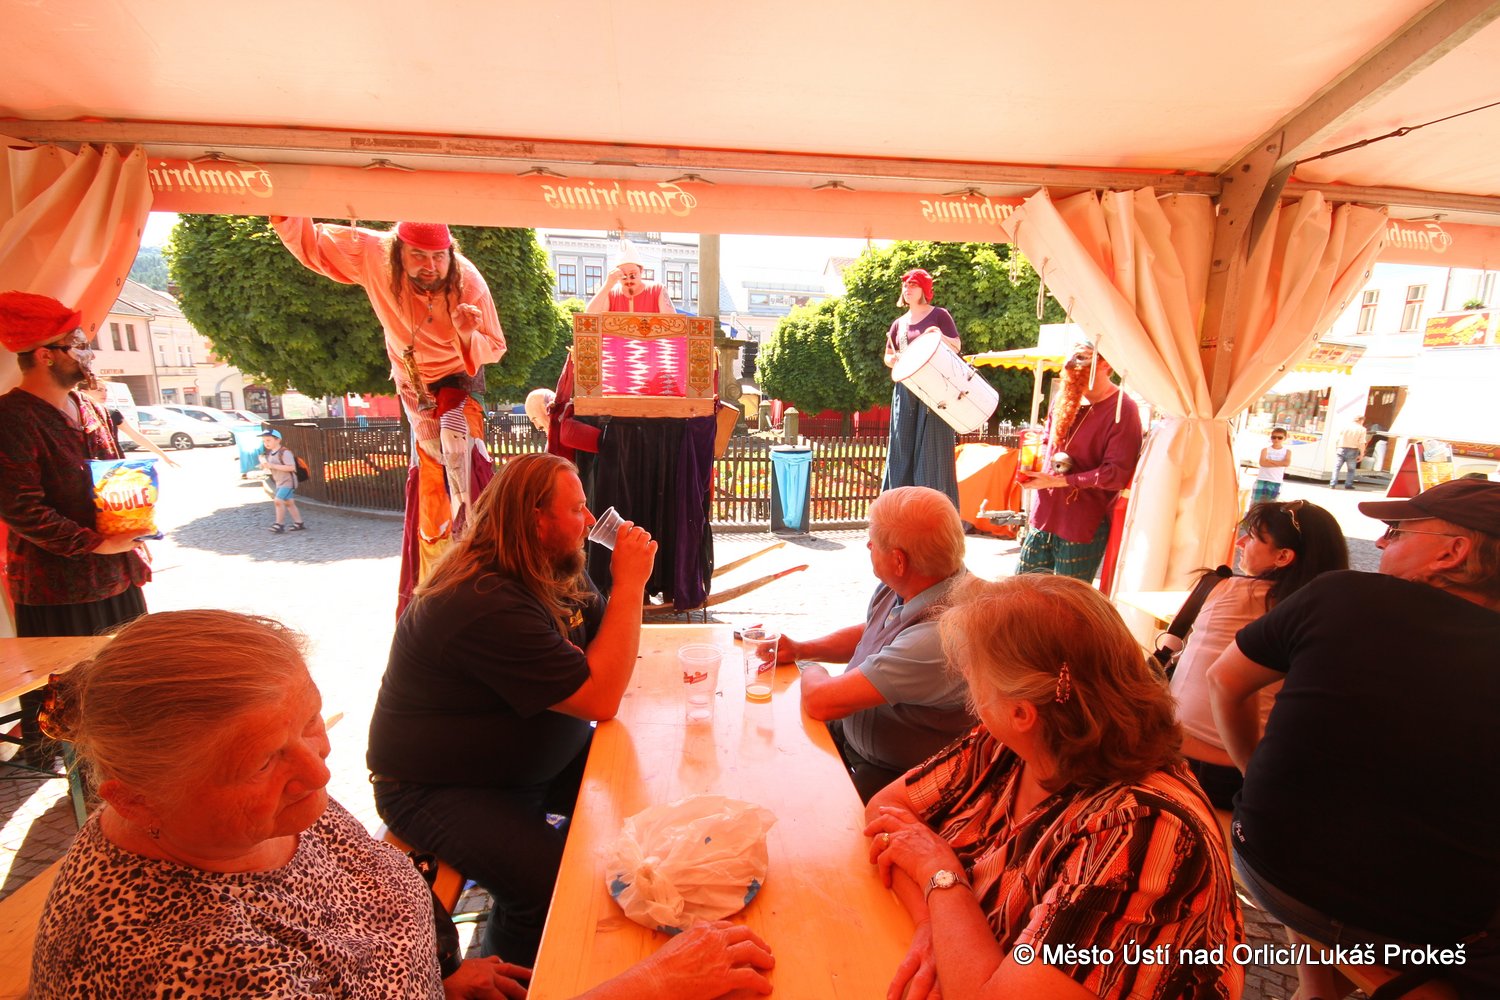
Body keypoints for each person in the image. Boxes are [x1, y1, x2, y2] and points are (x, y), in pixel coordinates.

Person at [29, 609, 774, 999]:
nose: (318, 768)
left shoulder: (258, 815)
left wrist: (432, 982)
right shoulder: (190, 961)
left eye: (310, 723)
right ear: (132, 797)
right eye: (260, 761)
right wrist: (648, 988)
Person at [864, 575, 1243, 1000]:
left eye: (971, 672)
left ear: (1021, 711)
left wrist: (939, 872)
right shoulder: (1013, 744)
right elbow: (886, 810)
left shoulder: (1143, 828)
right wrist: (934, 925)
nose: (967, 682)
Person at [1208, 478, 1500, 998]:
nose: (1382, 541)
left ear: (1452, 552)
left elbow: (1222, 681)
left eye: (1397, 530)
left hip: (1270, 863)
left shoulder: (1340, 593)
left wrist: (1254, 773)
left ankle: (1315, 988)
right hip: (1422, 924)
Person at [368, 453, 658, 966]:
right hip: (440, 788)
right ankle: (518, 980)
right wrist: (631, 583)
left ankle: (604, 945)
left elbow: (602, 647)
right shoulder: (481, 598)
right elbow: (600, 697)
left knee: (638, 804)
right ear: (535, 520)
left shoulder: (552, 564)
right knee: (547, 885)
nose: (590, 521)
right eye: (577, 509)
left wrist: (616, 610)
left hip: (529, 766)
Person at [272, 217, 505, 553]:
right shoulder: (372, 253)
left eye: (439, 257)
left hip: (460, 377)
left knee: (461, 456)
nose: (430, 266)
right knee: (430, 467)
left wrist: (467, 333)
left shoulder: (469, 283)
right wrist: (284, 209)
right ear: (397, 251)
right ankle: (436, 554)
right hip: (412, 380)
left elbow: (495, 347)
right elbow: (313, 245)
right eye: (418, 255)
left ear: (451, 254)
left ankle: (478, 547)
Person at [0, 291, 149, 767]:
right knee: (74, 703)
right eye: (78, 344)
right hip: (59, 591)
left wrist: (135, 515)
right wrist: (96, 543)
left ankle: (130, 771)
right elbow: (21, 508)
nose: (89, 353)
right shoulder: (11, 418)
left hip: (118, 576)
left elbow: (114, 479)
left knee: (126, 686)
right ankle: (86, 790)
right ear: (45, 355)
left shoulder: (91, 408)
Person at [775, 486, 976, 802]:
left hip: (900, 774)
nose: (868, 545)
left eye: (873, 541)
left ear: (898, 560)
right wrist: (802, 648)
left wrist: (809, 667)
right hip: (856, 735)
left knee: (815, 811)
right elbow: (872, 632)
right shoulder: (916, 581)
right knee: (779, 745)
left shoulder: (939, 635)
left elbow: (820, 701)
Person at [1168, 500, 1347, 810]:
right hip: (1253, 774)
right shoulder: (1328, 615)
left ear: (1283, 556)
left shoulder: (1222, 588)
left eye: (1251, 537)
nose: (1240, 543)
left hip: (1176, 758)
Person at [1017, 342, 1143, 582]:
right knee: (1020, 590)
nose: (1073, 368)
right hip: (1044, 515)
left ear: (1106, 365)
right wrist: (1033, 469)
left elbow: (1115, 475)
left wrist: (1059, 481)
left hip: (1081, 523)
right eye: (1071, 360)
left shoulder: (1123, 409)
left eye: (1084, 360)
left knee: (1066, 599)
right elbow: (1047, 441)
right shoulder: (1063, 398)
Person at [881, 268, 961, 507]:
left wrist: (939, 335)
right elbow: (888, 355)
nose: (907, 289)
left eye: (913, 285)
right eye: (905, 285)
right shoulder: (899, 323)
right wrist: (894, 360)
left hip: (933, 390)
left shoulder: (939, 315)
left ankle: (933, 508)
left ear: (924, 289)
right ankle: (897, 507)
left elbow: (956, 346)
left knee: (931, 451)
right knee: (901, 449)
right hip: (905, 390)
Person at [584, 240, 676, 314]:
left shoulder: (657, 289)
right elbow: (590, 317)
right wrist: (608, 285)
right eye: (623, 276)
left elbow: (672, 321)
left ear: (641, 271)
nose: (628, 280)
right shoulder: (610, 293)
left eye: (632, 275)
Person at [258, 428, 306, 533]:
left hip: (288, 482)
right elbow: (272, 467)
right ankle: (299, 523)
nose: (266, 443)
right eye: (264, 441)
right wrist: (265, 466)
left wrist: (272, 466)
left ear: (278, 440)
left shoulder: (285, 452)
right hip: (279, 482)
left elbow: (291, 467)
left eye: (268, 440)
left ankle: (279, 524)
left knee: (278, 501)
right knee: (289, 503)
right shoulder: (271, 453)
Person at [1250, 427, 1290, 505]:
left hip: (1276, 481)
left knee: (1271, 505)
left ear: (1285, 438)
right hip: (1262, 479)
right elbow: (1262, 463)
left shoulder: (1287, 452)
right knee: (1255, 504)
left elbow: (1286, 463)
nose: (1276, 439)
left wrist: (1269, 460)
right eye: (1274, 437)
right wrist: (1280, 463)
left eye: (1280, 438)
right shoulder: (1265, 450)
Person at [1329, 413, 1366, 489]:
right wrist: (1362, 454)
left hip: (1341, 448)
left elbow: (1338, 439)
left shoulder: (1345, 426)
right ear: (1362, 421)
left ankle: (1332, 483)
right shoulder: (1362, 429)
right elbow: (1361, 443)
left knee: (1337, 467)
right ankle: (1348, 485)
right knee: (1351, 469)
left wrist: (1337, 448)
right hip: (1353, 450)